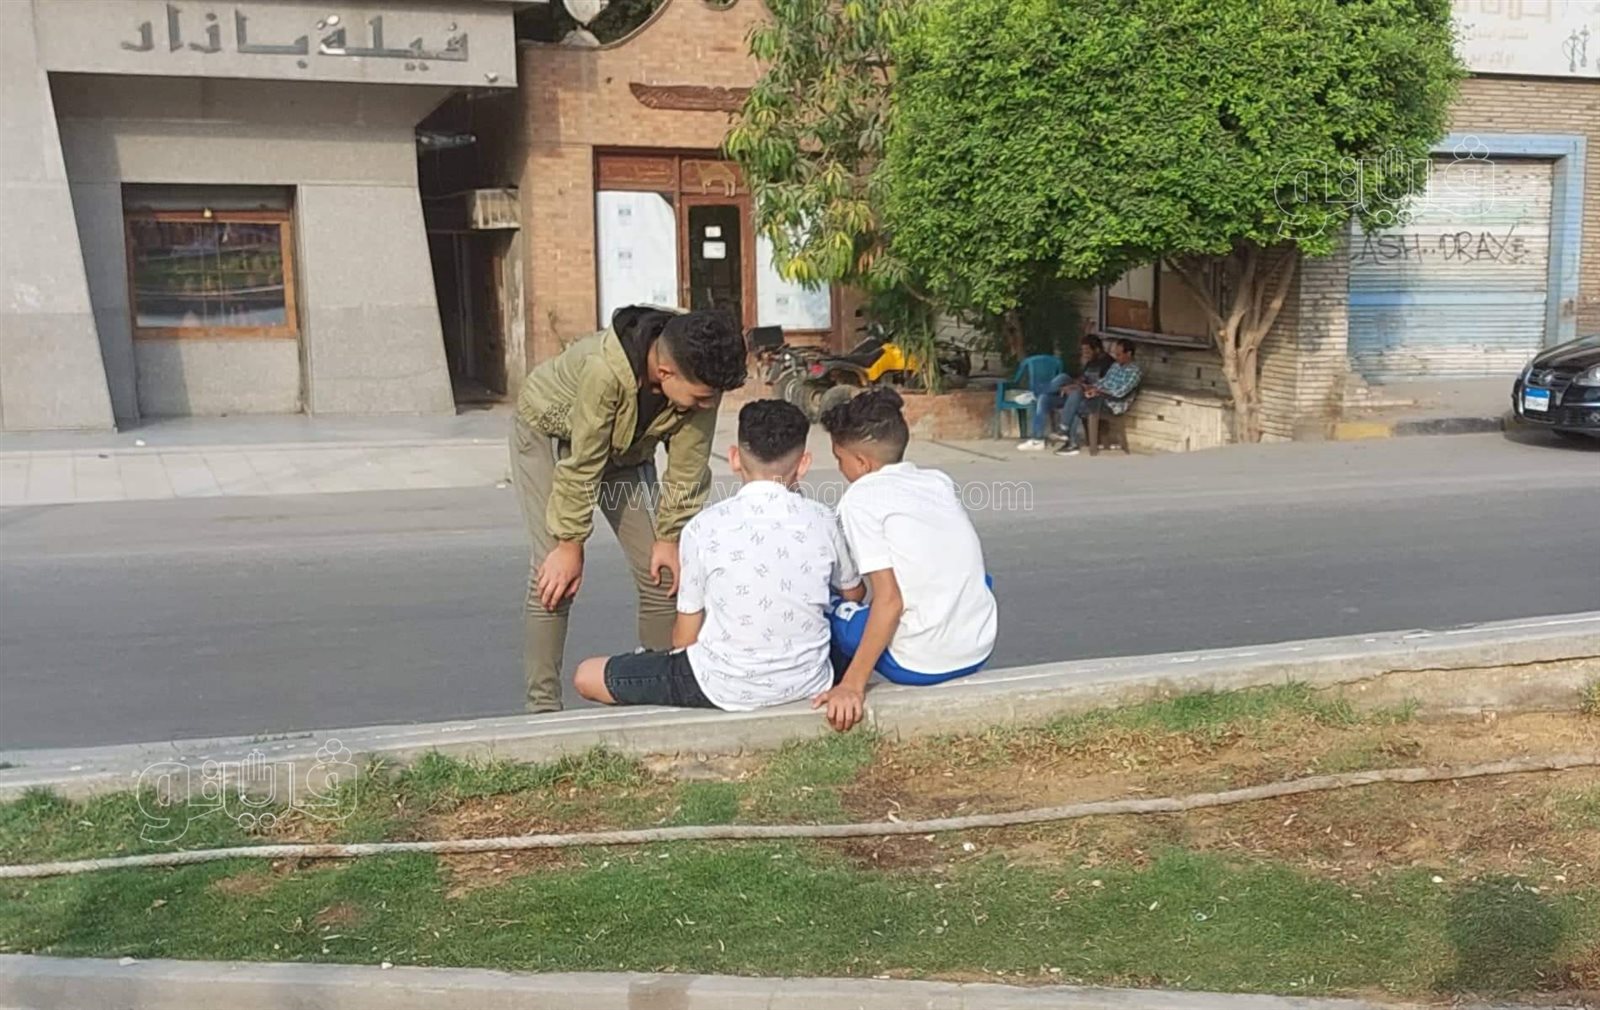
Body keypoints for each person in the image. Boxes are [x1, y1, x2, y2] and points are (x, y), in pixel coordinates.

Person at [511, 306, 747, 713]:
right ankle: (543, 712)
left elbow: (688, 468)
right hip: (550, 434)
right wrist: (570, 543)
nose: (708, 406)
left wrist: (669, 537)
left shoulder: (697, 369)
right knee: (553, 576)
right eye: (701, 397)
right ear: (666, 373)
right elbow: (582, 462)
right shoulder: (604, 370)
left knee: (664, 575)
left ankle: (661, 697)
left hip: (626, 450)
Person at [572, 399, 864, 711]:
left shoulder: (703, 527)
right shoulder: (823, 519)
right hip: (810, 680)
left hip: (720, 685)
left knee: (587, 675)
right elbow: (854, 594)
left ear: (735, 458)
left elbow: (685, 638)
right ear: (803, 463)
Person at [814, 388, 998, 732]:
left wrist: (854, 685)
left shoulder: (860, 499)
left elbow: (890, 600)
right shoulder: (938, 482)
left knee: (826, 606)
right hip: (977, 646)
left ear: (862, 462)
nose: (839, 468)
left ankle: (837, 686)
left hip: (920, 663)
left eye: (839, 459)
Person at [1018, 335, 1115, 451]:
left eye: (1087, 351)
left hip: (1088, 398)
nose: (1085, 355)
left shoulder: (1108, 364)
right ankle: (1037, 440)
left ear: (1097, 350)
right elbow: (1083, 379)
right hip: (1077, 393)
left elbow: (1098, 387)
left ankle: (1034, 394)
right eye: (1083, 351)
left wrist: (1076, 387)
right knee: (1046, 397)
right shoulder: (1090, 362)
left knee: (1069, 389)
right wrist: (1072, 385)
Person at [1054, 336, 1143, 456]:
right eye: (1115, 354)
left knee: (1074, 405)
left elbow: (1120, 392)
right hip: (1100, 397)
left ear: (1129, 353)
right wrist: (1089, 387)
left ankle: (1069, 439)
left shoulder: (1134, 371)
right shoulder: (1115, 366)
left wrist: (1099, 391)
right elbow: (1102, 382)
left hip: (1113, 404)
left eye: (1119, 354)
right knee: (1076, 394)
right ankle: (1065, 433)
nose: (1116, 357)